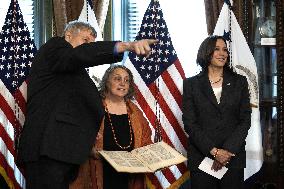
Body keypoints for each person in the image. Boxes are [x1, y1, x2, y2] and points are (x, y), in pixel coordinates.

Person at [17, 20, 156, 189]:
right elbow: (78, 55)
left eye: (92, 43)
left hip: (63, 152)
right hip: (49, 150)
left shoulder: (73, 69)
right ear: (68, 35)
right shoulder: (55, 47)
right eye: (85, 40)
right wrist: (126, 46)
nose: (89, 46)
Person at [182, 35, 251, 189]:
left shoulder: (240, 82)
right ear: (206, 53)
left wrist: (226, 151)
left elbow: (245, 120)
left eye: (225, 50)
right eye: (217, 49)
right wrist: (214, 152)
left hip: (232, 158)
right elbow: (190, 123)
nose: (223, 53)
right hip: (202, 158)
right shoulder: (191, 84)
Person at [69, 65, 152, 189]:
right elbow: (74, 136)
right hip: (98, 173)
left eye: (126, 80)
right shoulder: (93, 107)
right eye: (117, 79)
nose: (122, 83)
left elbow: (146, 140)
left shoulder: (135, 112)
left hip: (129, 177)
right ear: (106, 82)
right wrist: (89, 148)